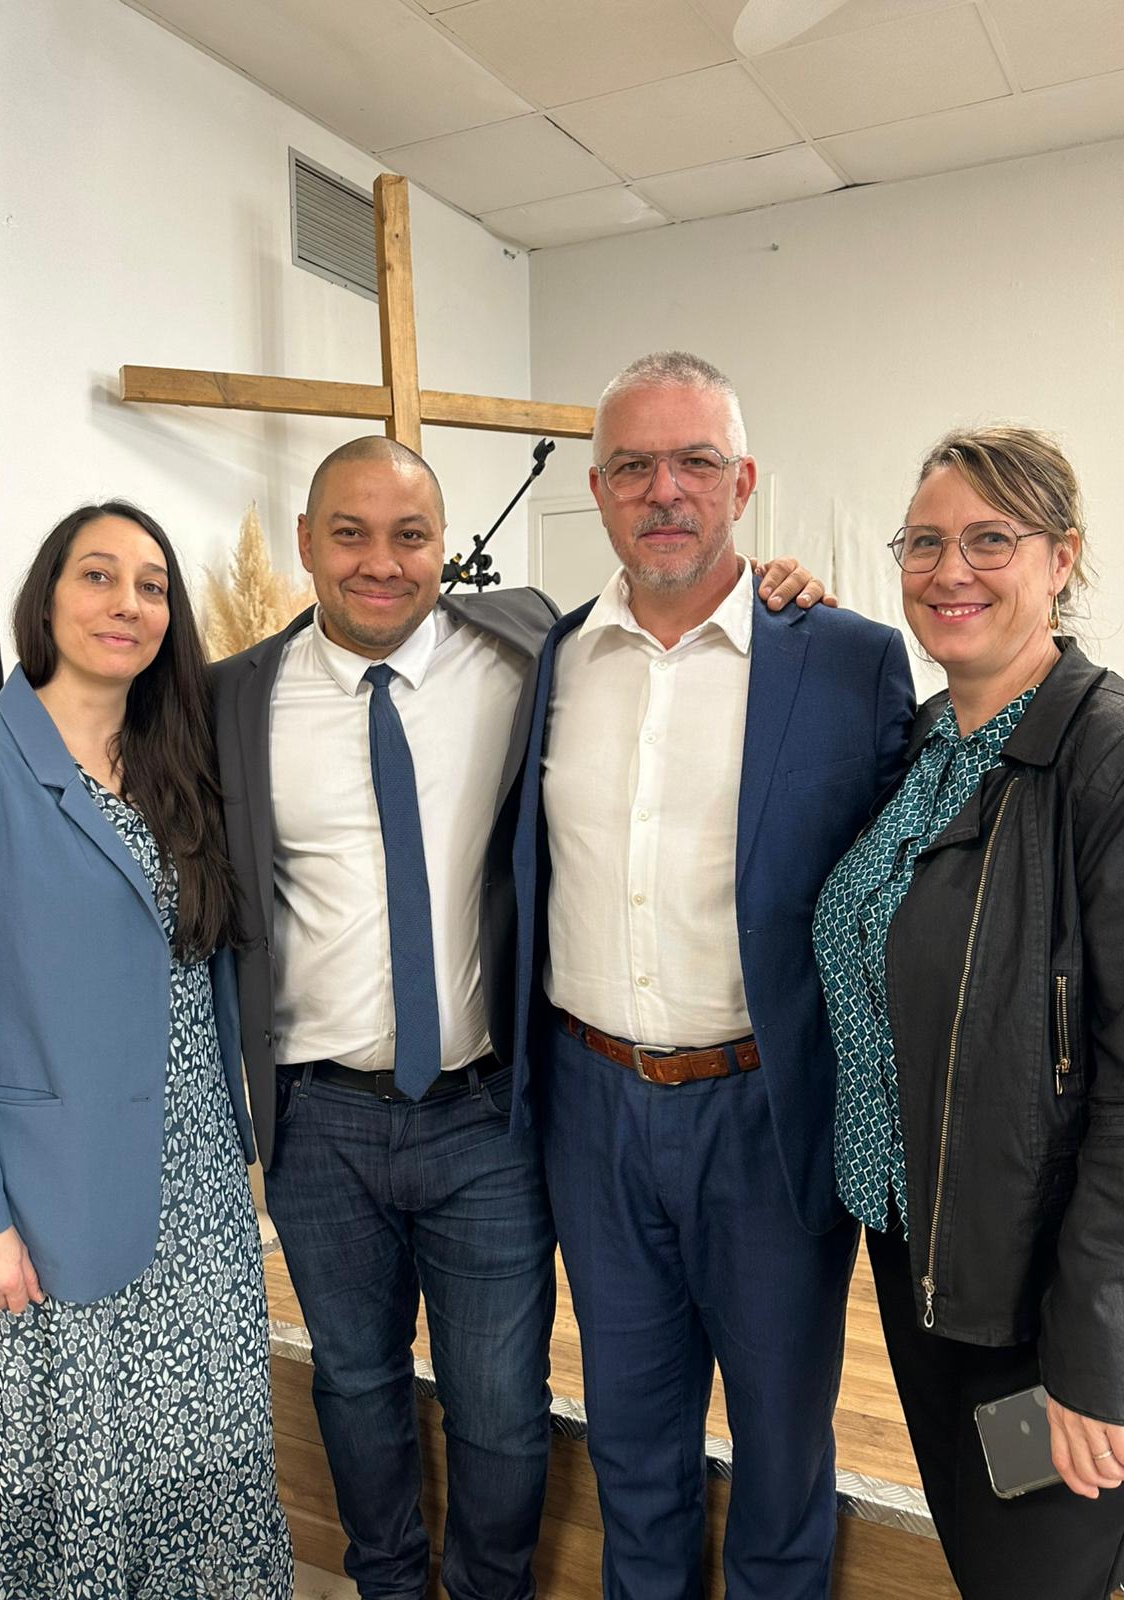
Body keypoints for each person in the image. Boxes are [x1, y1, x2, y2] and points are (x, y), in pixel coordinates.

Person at [211, 433, 823, 1600]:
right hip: (318, 1119)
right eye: (350, 533)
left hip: (486, 1114)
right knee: (353, 1379)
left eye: (411, 534)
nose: (382, 561)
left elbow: (677, 612)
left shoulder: (530, 644)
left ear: (446, 546)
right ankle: (390, 1582)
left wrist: (777, 589)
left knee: (500, 1400)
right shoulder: (235, 695)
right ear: (305, 542)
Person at [510, 351, 915, 1600]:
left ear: (742, 483)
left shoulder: (846, 659)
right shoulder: (553, 657)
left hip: (765, 1115)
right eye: (633, 466)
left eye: (695, 462)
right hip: (591, 1109)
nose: (665, 490)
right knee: (632, 1440)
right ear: (596, 490)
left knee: (784, 1446)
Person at [0, 503, 292, 1597]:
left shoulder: (181, 762)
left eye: (152, 584)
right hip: (45, 1199)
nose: (127, 603)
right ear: (45, 597)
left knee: (208, 1453)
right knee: (80, 1476)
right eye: (98, 575)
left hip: (198, 1192)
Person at [814, 426, 1124, 1599]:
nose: (951, 570)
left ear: (1062, 559)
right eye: (925, 542)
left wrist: (1095, 1355)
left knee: (1032, 1570)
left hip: (1038, 1297)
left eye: (992, 540)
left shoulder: (1102, 758)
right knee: (983, 1550)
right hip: (923, 1256)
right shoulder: (925, 744)